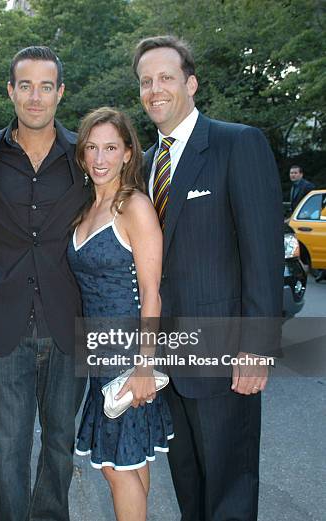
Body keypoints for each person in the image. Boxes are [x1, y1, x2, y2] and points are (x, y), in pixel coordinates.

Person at [133, 35, 282, 521]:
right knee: (191, 490)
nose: (155, 90)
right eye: (146, 81)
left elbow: (262, 254)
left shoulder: (238, 143)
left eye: (166, 78)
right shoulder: (149, 163)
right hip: (171, 362)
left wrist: (257, 346)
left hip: (224, 359)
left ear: (190, 83)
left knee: (230, 491)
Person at [0, 46, 90, 521]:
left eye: (45, 86)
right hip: (5, 325)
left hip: (68, 322)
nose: (35, 97)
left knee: (60, 445)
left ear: (60, 92)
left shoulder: (84, 153)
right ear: (11, 91)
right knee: (8, 450)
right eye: (25, 85)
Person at [68, 107, 174, 521]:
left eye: (111, 147)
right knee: (131, 460)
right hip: (98, 355)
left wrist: (144, 366)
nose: (100, 158)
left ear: (128, 153)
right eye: (91, 148)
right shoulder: (85, 210)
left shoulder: (135, 207)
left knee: (114, 467)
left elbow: (152, 293)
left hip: (128, 354)